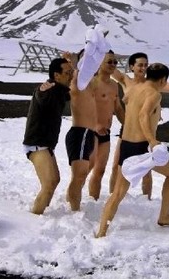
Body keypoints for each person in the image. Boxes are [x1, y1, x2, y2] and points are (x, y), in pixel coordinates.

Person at [96, 63, 169, 238]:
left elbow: (127, 102)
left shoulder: (135, 89)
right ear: (162, 80)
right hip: (141, 147)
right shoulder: (154, 94)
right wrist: (152, 140)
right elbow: (143, 115)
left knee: (118, 193)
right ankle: (164, 215)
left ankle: (101, 232)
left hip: (127, 145)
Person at [108, 52, 169, 198]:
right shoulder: (126, 80)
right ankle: (113, 195)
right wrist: (99, 49)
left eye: (146, 65)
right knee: (117, 166)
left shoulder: (152, 84)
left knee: (147, 171)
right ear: (132, 66)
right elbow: (108, 67)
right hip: (128, 131)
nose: (143, 68)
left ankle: (147, 198)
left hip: (146, 132)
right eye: (140, 65)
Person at [22, 57, 73, 215]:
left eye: (71, 72)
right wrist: (42, 91)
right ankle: (35, 217)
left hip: (45, 145)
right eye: (67, 73)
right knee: (49, 183)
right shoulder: (49, 90)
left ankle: (42, 212)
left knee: (54, 180)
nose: (71, 75)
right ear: (57, 76)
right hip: (36, 144)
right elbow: (41, 95)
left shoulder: (61, 91)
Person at [88, 51, 125, 200]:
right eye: (109, 62)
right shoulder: (92, 82)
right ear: (100, 63)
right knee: (85, 170)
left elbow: (118, 108)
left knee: (100, 171)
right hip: (91, 131)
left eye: (115, 62)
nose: (113, 65)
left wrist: (129, 125)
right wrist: (96, 124)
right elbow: (83, 107)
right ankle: (73, 203)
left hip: (106, 133)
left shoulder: (115, 86)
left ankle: (93, 201)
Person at [64, 50, 98, 211]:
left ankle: (71, 203)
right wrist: (72, 61)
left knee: (80, 176)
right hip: (80, 133)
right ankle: (74, 211)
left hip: (89, 134)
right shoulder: (78, 80)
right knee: (79, 176)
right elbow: (77, 71)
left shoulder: (90, 82)